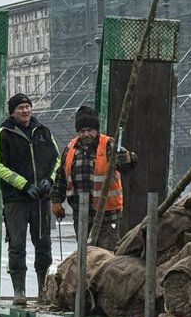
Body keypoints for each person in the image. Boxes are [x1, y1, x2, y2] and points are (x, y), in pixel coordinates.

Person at [0, 92, 59, 306]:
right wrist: (23, 184)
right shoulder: (3, 134)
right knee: (17, 244)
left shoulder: (44, 132)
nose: (25, 111)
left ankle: (43, 290)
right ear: (13, 111)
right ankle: (19, 291)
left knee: (43, 245)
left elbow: (57, 159)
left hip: (41, 199)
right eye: (20, 107)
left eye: (28, 107)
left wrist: (50, 179)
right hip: (16, 200)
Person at [50, 106, 137, 252]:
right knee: (85, 256)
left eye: (90, 130)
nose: (86, 134)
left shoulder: (109, 144)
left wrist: (129, 159)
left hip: (108, 215)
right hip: (82, 214)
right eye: (82, 131)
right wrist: (56, 201)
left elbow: (127, 165)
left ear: (96, 129)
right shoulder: (71, 148)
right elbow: (61, 177)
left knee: (105, 255)